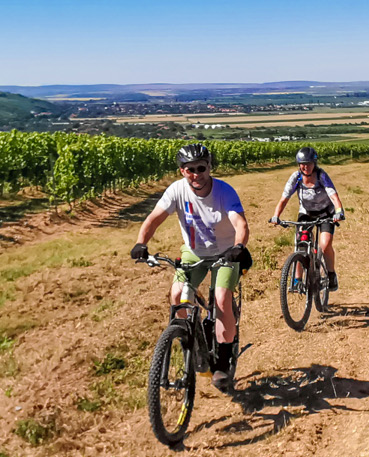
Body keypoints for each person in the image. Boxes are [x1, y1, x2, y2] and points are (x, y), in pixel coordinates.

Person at [132, 143, 252, 391]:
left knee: (221, 299)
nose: (196, 174)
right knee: (177, 295)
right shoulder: (176, 190)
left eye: (201, 168)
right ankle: (192, 342)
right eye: (190, 170)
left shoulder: (224, 191)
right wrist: (141, 243)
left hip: (225, 252)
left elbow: (240, 223)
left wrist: (239, 246)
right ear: (182, 171)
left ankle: (222, 362)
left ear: (209, 167)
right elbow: (154, 218)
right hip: (193, 251)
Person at [267, 146, 347, 291]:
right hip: (306, 213)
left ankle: (331, 274)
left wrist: (338, 212)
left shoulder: (321, 176)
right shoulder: (296, 178)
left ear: (314, 163)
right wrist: (276, 216)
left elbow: (334, 196)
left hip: (326, 213)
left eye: (309, 163)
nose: (306, 167)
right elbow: (284, 199)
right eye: (302, 164)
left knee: (325, 244)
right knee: (301, 244)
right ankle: (297, 280)